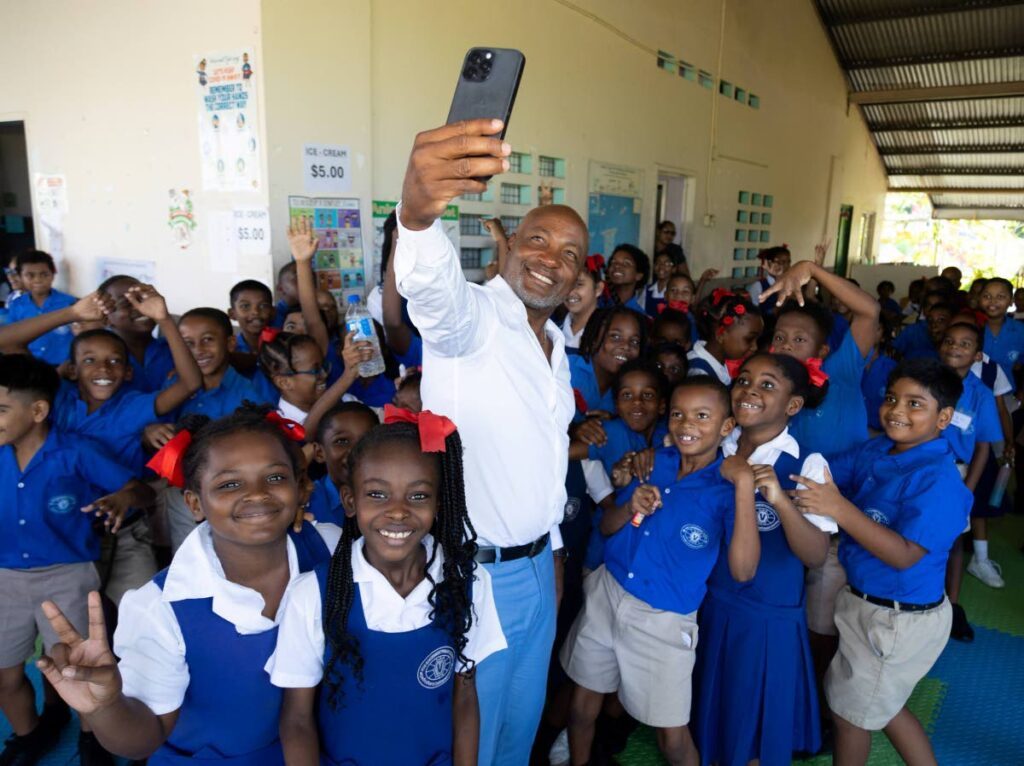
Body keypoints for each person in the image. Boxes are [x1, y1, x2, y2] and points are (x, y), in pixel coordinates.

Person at [393, 118, 581, 765]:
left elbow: (545, 463)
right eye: (538, 240)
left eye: (569, 255)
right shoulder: (474, 321)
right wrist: (417, 219)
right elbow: (433, 295)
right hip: (477, 576)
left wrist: (553, 557)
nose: (549, 260)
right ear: (508, 245)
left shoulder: (556, 345)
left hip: (538, 567)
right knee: (470, 738)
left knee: (518, 731)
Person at [35, 405, 339, 764]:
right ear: (195, 503)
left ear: (299, 487)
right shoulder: (161, 607)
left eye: (275, 478)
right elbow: (142, 740)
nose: (257, 493)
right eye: (229, 484)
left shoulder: (329, 547)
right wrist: (106, 706)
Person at [272, 412, 507, 765]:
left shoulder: (468, 584)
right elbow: (297, 720)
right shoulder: (314, 595)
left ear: (438, 504)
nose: (398, 512)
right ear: (350, 502)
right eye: (378, 494)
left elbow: (464, 695)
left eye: (418, 496)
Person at [561, 377, 759, 766]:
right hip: (609, 591)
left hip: (664, 619)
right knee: (583, 705)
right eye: (678, 415)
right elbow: (608, 527)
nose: (687, 425)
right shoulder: (654, 463)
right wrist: (630, 501)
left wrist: (744, 484)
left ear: (726, 427)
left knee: (672, 735)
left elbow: (743, 570)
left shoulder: (727, 489)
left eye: (702, 416)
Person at [793, 358, 971, 766]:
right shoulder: (878, 449)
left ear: (943, 417)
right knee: (884, 709)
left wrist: (838, 508)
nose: (897, 411)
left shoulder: (940, 482)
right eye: (892, 399)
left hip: (897, 620)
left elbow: (904, 555)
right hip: (866, 604)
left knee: (850, 718)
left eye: (915, 404)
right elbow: (829, 472)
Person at [0, 354, 154, 765]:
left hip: (68, 576)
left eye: (0, 409)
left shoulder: (76, 452)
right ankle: (28, 735)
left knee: (77, 666)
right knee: (5, 674)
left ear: (37, 411)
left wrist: (123, 497)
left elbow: (143, 491)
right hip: (5, 579)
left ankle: (93, 739)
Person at [693, 353, 836, 765]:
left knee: (754, 721)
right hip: (709, 601)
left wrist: (779, 500)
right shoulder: (713, 443)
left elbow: (816, 554)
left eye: (768, 385)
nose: (750, 390)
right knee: (714, 712)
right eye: (743, 380)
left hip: (766, 615)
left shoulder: (805, 463)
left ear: (793, 405)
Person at [937, 321, 1002, 642]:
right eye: (949, 341)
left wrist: (968, 489)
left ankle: (952, 605)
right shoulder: (926, 383)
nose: (955, 348)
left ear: (977, 355)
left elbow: (983, 447)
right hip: (920, 468)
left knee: (953, 542)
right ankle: (920, 601)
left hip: (958, 474)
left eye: (964, 344)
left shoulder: (980, 395)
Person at [99, 275, 176, 393]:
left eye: (142, 299)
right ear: (106, 319)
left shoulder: (174, 349)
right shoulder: (98, 359)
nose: (140, 308)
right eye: (126, 304)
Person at [306, 401, 379, 525]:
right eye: (342, 441)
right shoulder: (305, 503)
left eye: (366, 440)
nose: (356, 451)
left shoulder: (396, 497)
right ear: (319, 453)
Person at [6, 250, 77, 366]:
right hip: (31, 367)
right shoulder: (16, 305)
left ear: (53, 273)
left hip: (65, 366)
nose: (38, 280)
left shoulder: (69, 303)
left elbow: (78, 336)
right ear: (20, 277)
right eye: (30, 275)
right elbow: (13, 339)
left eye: (44, 274)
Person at [687, 291, 762, 385]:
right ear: (720, 334)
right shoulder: (699, 376)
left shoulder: (720, 361)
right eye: (749, 339)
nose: (755, 347)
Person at [562, 256, 605, 352]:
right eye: (566, 283)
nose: (570, 292)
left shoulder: (606, 332)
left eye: (579, 284)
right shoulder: (550, 328)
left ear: (598, 289)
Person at [228, 279, 275, 354]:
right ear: (232, 314)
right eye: (245, 306)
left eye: (263, 306)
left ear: (273, 312)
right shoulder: (230, 350)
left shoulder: (283, 345)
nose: (255, 312)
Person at [602, 245, 648, 314]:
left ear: (639, 275)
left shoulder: (640, 316)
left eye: (626, 263)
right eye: (613, 262)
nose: (617, 265)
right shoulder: (596, 304)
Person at [746, 245, 790, 312]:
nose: (786, 266)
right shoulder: (758, 286)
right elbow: (754, 312)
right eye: (780, 262)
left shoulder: (791, 283)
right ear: (769, 263)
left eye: (788, 262)